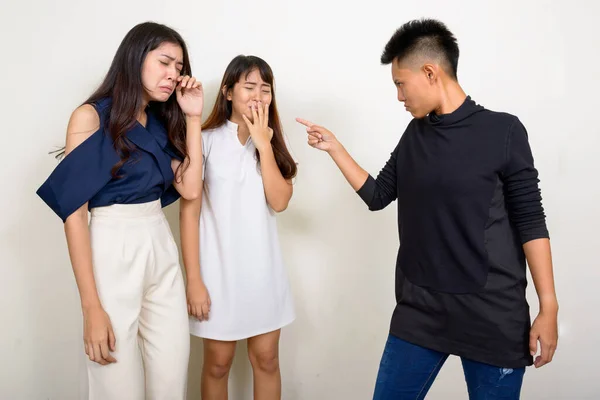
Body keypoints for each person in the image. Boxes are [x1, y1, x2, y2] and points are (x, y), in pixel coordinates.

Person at [296, 18, 558, 400]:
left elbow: (531, 222)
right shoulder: (416, 134)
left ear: (431, 72)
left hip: (491, 313)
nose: (399, 96)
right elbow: (378, 195)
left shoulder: (503, 132)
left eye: (401, 84)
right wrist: (335, 148)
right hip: (420, 310)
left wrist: (547, 305)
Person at [36, 21, 204, 400]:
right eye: (165, 62)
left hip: (159, 242)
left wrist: (193, 117)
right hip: (112, 245)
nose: (173, 75)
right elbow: (75, 216)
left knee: (171, 376)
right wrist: (91, 307)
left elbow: (191, 188)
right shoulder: (91, 117)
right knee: (116, 384)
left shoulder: (161, 121)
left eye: (179, 68)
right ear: (135, 58)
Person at [182, 55, 297, 400]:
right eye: (249, 87)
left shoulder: (270, 143)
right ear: (229, 92)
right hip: (216, 274)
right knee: (218, 363)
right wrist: (194, 280)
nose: (259, 95)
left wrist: (263, 143)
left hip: (264, 273)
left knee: (267, 359)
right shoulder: (205, 139)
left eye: (265, 89)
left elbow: (279, 202)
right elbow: (189, 213)